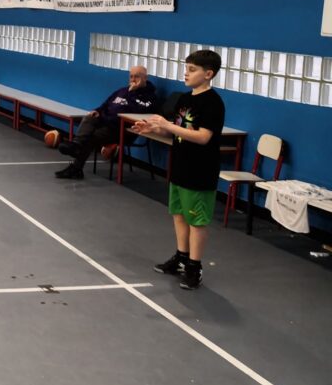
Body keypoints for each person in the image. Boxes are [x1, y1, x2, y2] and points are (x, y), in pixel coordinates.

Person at [133, 50, 225, 291]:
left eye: (192, 70)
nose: (186, 73)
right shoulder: (184, 99)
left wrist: (167, 125)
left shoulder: (213, 102)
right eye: (186, 68)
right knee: (179, 214)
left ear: (208, 74)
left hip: (200, 170)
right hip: (180, 166)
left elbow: (203, 137)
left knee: (197, 220)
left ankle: (195, 267)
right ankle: (181, 257)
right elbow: (176, 130)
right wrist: (154, 129)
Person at [54, 66, 158, 180]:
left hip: (121, 130)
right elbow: (106, 104)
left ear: (145, 78)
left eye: (136, 76)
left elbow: (139, 110)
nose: (133, 79)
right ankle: (76, 145)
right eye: (131, 76)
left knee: (90, 138)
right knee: (89, 118)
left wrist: (131, 93)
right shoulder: (122, 91)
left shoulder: (150, 97)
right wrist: (97, 111)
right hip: (105, 121)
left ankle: (76, 167)